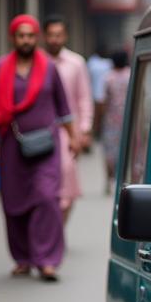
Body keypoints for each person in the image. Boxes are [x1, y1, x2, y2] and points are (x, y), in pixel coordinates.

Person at [0, 14, 79, 282]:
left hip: (47, 146)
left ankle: (47, 260)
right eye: (20, 35)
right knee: (13, 202)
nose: (25, 40)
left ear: (36, 38)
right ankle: (23, 258)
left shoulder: (49, 67)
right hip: (12, 145)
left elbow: (64, 107)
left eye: (30, 35)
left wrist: (72, 137)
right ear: (12, 38)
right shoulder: (0, 67)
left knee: (47, 198)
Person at [44, 16, 94, 224]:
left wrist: (84, 130)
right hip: (39, 133)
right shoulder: (38, 63)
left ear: (65, 36)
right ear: (44, 37)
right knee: (44, 185)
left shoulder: (76, 63)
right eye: (51, 35)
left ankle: (57, 230)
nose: (55, 39)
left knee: (66, 181)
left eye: (59, 35)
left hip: (68, 134)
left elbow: (84, 98)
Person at [100, 49, 130, 193]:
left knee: (110, 153)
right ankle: (123, 180)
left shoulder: (108, 77)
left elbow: (104, 100)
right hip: (128, 119)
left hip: (111, 120)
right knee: (126, 150)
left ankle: (109, 180)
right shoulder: (130, 74)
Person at [87, 47, 113, 141]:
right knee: (97, 117)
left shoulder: (94, 63)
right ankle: (96, 135)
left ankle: (98, 134)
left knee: (99, 117)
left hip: (99, 94)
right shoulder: (95, 62)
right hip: (97, 94)